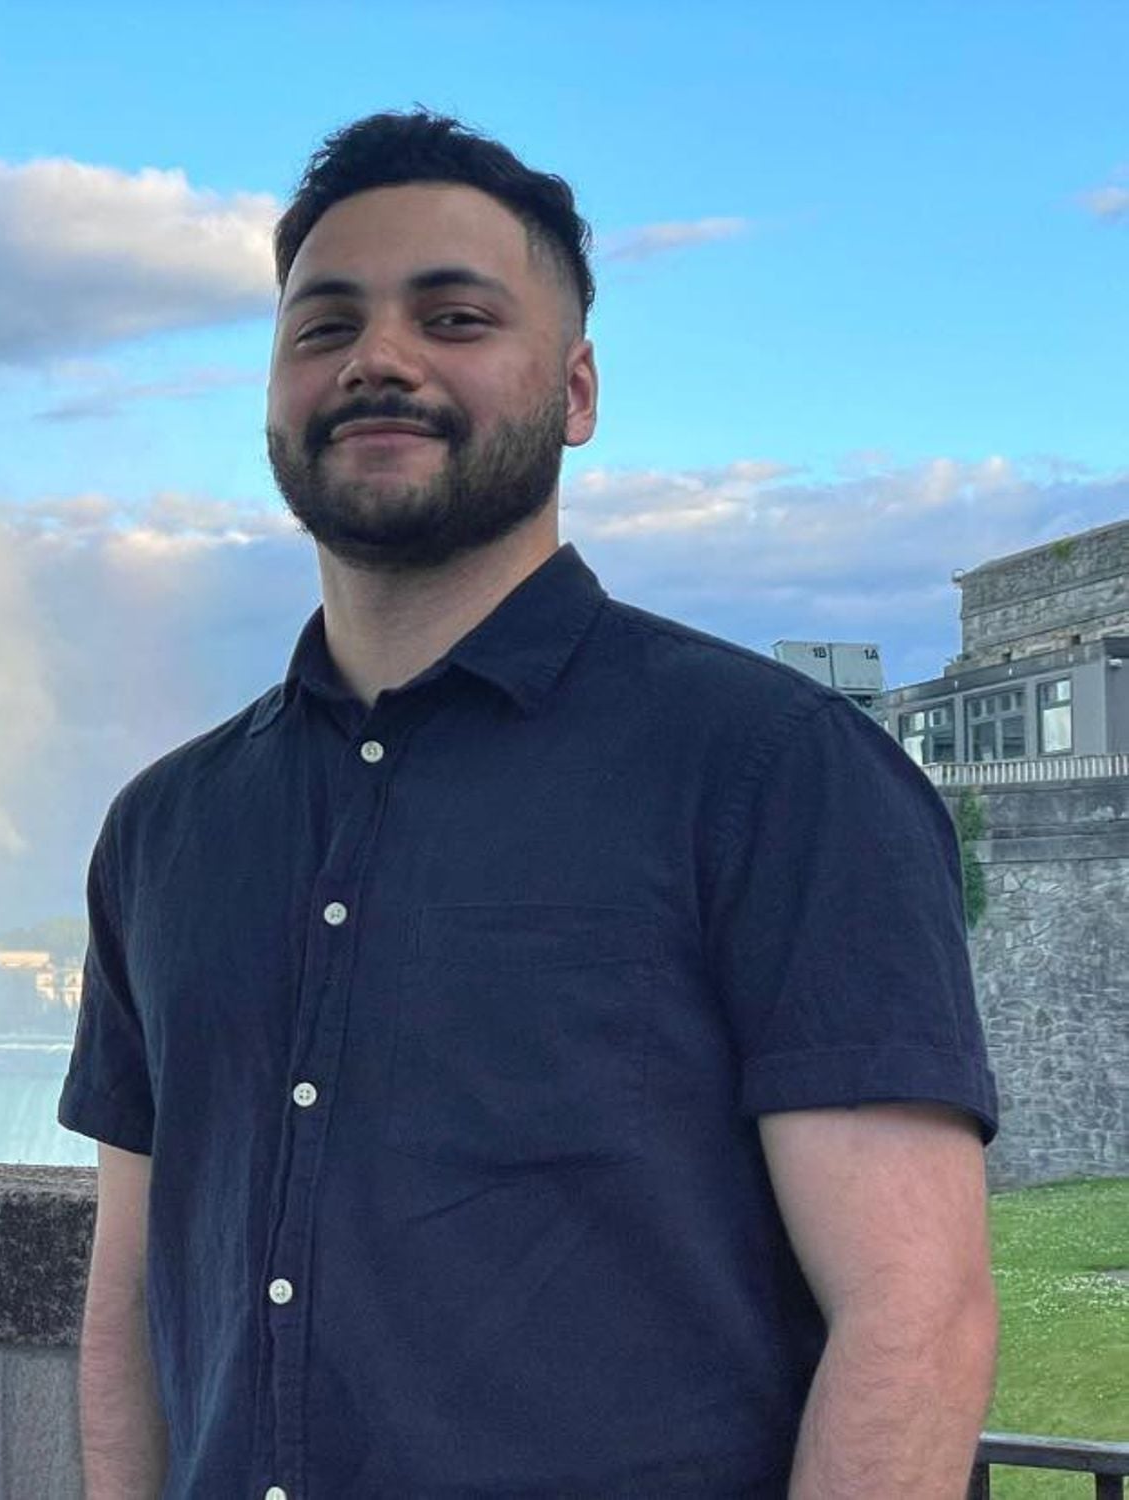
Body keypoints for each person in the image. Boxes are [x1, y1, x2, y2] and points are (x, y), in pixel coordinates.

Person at [59, 110, 999, 1500]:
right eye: (325, 327)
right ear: (273, 391)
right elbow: (131, 1304)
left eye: (453, 317)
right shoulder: (163, 833)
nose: (379, 359)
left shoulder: (778, 774)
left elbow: (915, 1319)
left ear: (576, 392)